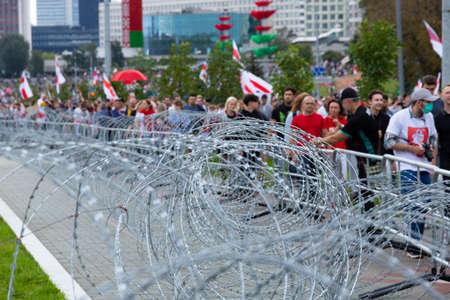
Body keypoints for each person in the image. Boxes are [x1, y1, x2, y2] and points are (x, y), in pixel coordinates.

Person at [384, 88, 438, 257]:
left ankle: (416, 240)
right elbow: (388, 141)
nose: (430, 105)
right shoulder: (399, 117)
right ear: (418, 102)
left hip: (423, 166)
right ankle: (412, 243)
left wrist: (431, 151)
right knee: (412, 203)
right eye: (427, 102)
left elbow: (433, 137)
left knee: (424, 204)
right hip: (406, 165)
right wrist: (411, 149)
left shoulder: (429, 117)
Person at [314, 87, 379, 212]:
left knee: (366, 192)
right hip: (365, 157)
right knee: (365, 191)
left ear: (348, 101)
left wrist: (320, 141)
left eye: (342, 103)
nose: (342, 107)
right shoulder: (362, 112)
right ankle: (368, 222)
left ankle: (370, 224)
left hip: (367, 158)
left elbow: (336, 138)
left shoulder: (358, 117)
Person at [367, 90, 391, 155]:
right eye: (376, 100)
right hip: (366, 155)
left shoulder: (387, 118)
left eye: (381, 100)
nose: (380, 102)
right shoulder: (363, 117)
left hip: (382, 155)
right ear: (370, 102)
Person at [435, 84, 450, 178]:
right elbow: (435, 141)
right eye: (447, 93)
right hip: (446, 160)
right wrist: (433, 162)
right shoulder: (438, 118)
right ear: (441, 96)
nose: (449, 95)